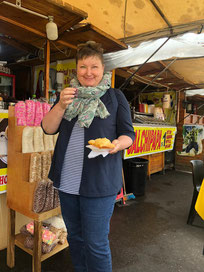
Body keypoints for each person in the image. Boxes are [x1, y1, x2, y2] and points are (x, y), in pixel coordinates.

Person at [42, 41, 135, 272]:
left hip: (99, 182)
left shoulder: (115, 97)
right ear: (77, 70)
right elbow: (48, 127)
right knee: (75, 238)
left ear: (102, 69)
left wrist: (116, 145)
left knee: (95, 243)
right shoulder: (68, 95)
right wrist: (61, 106)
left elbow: (128, 134)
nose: (89, 72)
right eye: (83, 67)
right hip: (67, 183)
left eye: (94, 66)